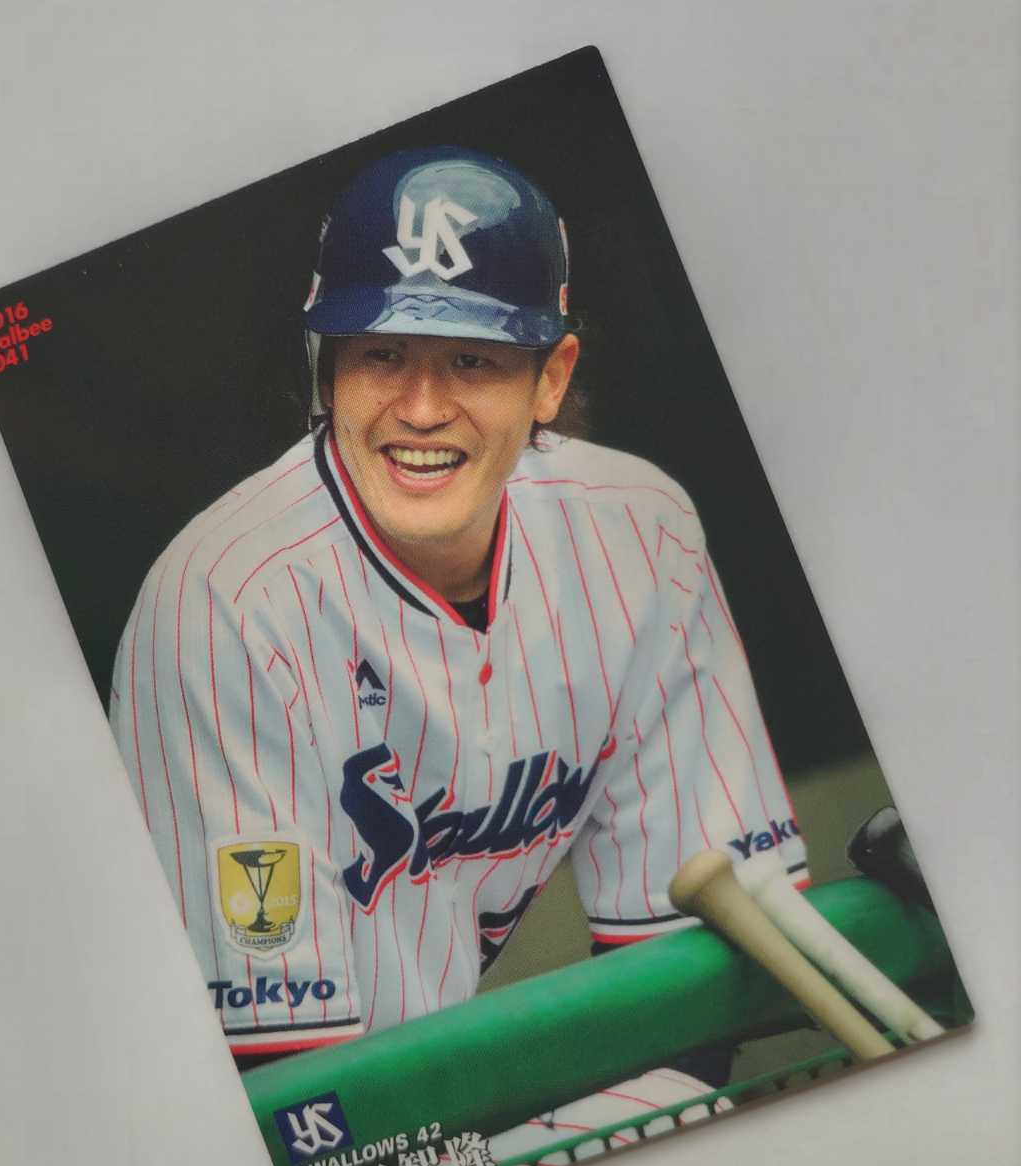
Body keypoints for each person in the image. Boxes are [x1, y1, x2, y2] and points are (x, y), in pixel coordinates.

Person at [109, 147, 807, 1078]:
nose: (422, 407)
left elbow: (687, 968)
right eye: (383, 353)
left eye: (472, 359)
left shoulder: (640, 535)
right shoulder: (223, 607)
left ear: (550, 378)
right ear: (327, 365)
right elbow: (284, 1080)